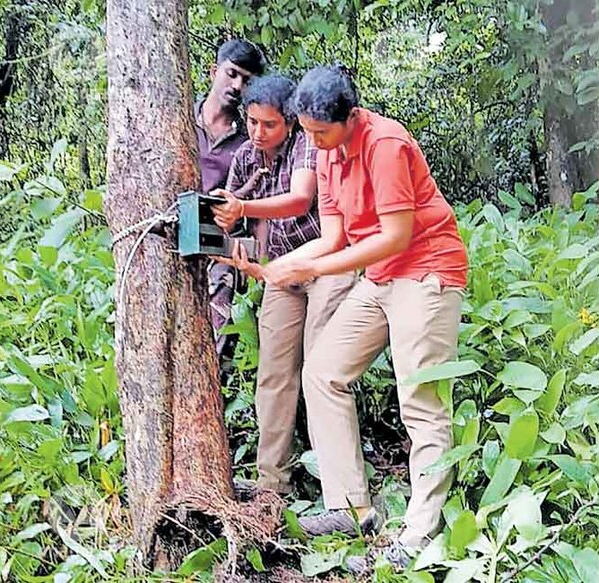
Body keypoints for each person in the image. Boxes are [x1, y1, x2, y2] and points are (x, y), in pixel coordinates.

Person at [260, 66, 469, 568]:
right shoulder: (327, 154)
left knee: (420, 399)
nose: (314, 144)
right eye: (307, 133)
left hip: (426, 271)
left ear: (351, 117)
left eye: (321, 133)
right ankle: (351, 508)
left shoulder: (386, 144)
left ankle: (418, 535)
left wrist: (315, 265)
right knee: (323, 372)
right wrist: (283, 265)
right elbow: (333, 237)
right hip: (381, 277)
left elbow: (395, 236)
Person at [209, 74, 356, 495]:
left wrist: (243, 207)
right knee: (274, 374)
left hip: (325, 262)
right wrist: (231, 245)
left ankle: (336, 484)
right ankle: (272, 483)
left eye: (268, 124)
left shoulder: (309, 144)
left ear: (289, 122)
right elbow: (235, 218)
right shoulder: (244, 158)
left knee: (320, 369)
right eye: (252, 122)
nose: (258, 133)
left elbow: (300, 198)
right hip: (282, 270)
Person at [193, 38, 265, 372]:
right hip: (171, 232)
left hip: (220, 242)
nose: (237, 86)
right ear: (214, 72)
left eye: (247, 81)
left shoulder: (251, 140)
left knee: (217, 332)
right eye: (232, 74)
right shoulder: (179, 121)